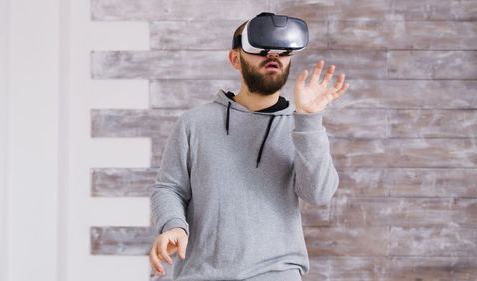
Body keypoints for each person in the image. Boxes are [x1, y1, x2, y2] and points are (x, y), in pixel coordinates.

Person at [149, 12, 349, 281]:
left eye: (282, 51)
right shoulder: (193, 123)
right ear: (235, 58)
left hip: (276, 273)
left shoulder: (301, 126)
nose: (273, 56)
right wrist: (173, 225)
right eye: (261, 49)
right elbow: (168, 188)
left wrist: (309, 120)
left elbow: (318, 194)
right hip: (199, 273)